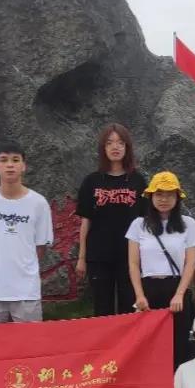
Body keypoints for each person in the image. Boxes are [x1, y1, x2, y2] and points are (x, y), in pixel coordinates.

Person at [0, 143, 53, 323]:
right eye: (4, 160)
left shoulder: (39, 204)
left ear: (23, 166)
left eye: (15, 160)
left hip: (27, 291)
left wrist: (24, 269)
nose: (10, 165)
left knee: (30, 340)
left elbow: (40, 247)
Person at [126, 171, 195, 368]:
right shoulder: (138, 225)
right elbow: (133, 263)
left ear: (177, 197)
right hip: (148, 289)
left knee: (178, 346)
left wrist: (180, 294)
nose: (164, 199)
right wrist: (139, 295)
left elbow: (190, 262)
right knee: (148, 346)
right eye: (159, 194)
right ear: (150, 197)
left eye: (169, 194)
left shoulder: (188, 224)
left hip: (177, 288)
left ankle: (176, 385)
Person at [75, 123, 147, 316]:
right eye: (110, 143)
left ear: (127, 147)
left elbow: (144, 222)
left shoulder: (138, 181)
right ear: (103, 148)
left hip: (130, 257)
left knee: (129, 308)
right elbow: (85, 222)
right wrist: (81, 258)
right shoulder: (92, 181)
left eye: (120, 143)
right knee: (102, 309)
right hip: (98, 256)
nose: (115, 147)